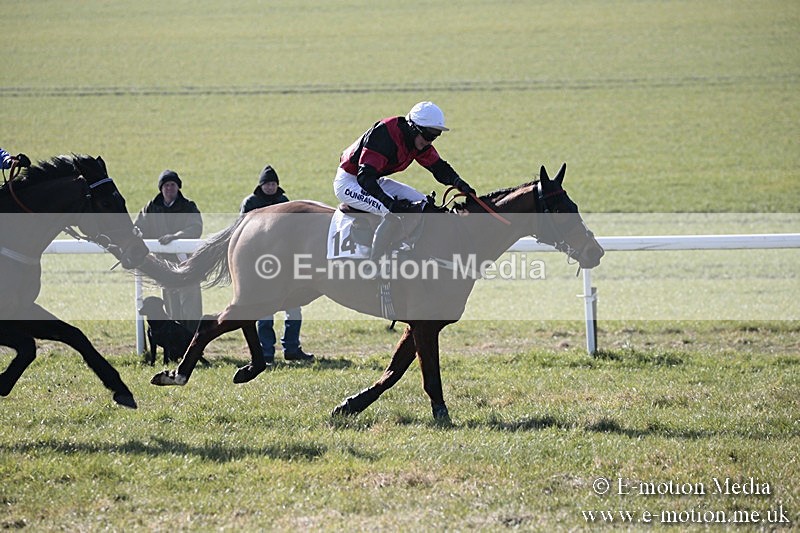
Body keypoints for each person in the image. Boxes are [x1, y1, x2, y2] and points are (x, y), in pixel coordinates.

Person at [333, 101, 475, 260]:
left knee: (423, 204)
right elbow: (365, 177)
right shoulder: (384, 135)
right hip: (350, 182)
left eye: (435, 136)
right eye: (428, 135)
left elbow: (438, 167)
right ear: (414, 128)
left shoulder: (416, 140)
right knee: (392, 212)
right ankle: (374, 265)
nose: (430, 141)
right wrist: (389, 202)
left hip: (373, 180)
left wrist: (459, 183)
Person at [240, 164, 314, 364]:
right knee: (265, 311)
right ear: (261, 185)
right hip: (262, 264)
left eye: (273, 183)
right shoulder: (251, 203)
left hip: (286, 264)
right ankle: (266, 352)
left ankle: (292, 348)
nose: (271, 187)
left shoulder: (284, 201)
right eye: (268, 184)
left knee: (294, 308)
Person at [134, 169, 204, 332]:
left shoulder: (188, 206)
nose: (169, 188)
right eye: (166, 185)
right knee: (172, 307)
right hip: (164, 265)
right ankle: (177, 345)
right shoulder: (151, 207)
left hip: (187, 263)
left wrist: (175, 237)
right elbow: (139, 227)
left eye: (172, 185)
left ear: (178, 187)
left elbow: (195, 228)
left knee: (190, 306)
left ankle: (193, 342)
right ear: (161, 188)